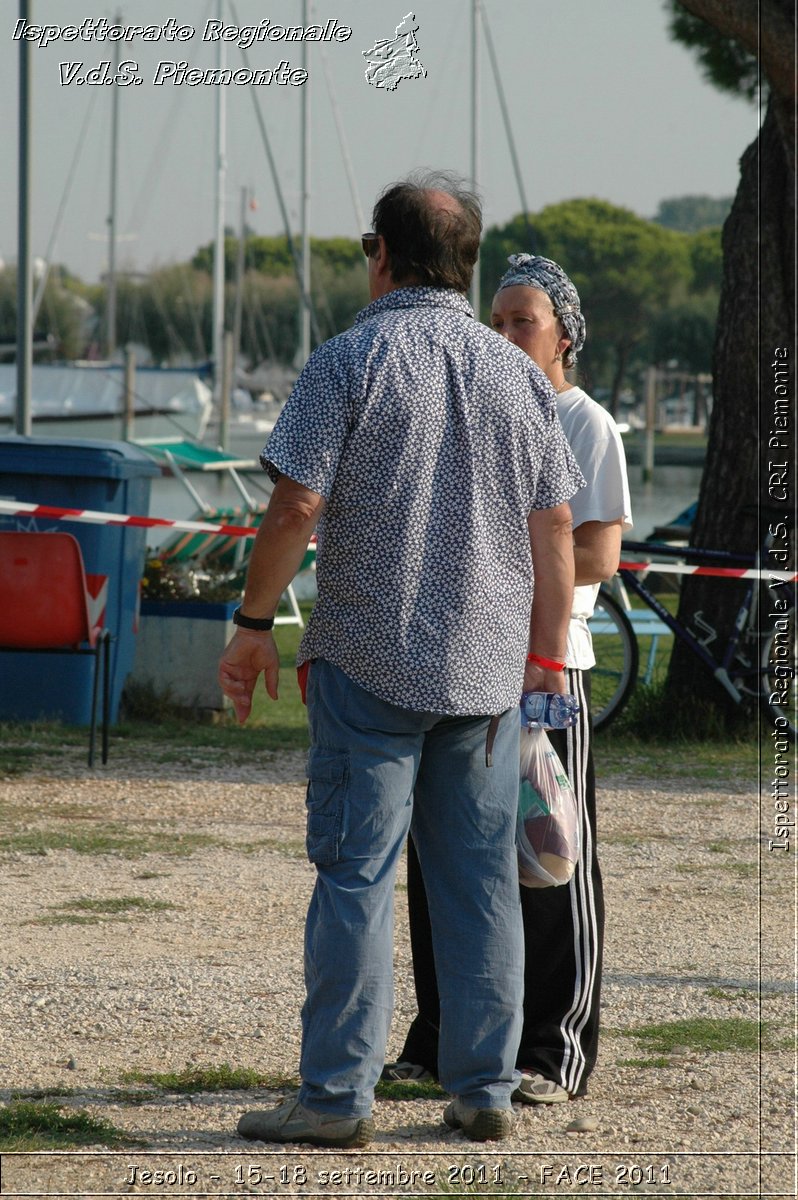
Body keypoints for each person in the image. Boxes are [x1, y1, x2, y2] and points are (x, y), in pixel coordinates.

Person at [218, 176, 584, 1147]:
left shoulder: (348, 360)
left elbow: (295, 506)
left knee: (355, 877)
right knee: (480, 884)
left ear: (381, 252)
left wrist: (255, 622)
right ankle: (485, 1088)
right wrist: (546, 653)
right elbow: (556, 524)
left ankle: (336, 1098)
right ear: (467, 262)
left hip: (368, 663)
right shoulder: (518, 376)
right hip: (486, 675)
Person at [386, 253, 632, 1103]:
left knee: (554, 856)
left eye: (522, 320)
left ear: (565, 335)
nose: (505, 334)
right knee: (446, 854)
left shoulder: (583, 422)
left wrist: (514, 563)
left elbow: (598, 548)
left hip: (548, 667)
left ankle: (555, 1048)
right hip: (466, 661)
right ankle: (441, 1031)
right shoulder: (479, 407)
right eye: (495, 320)